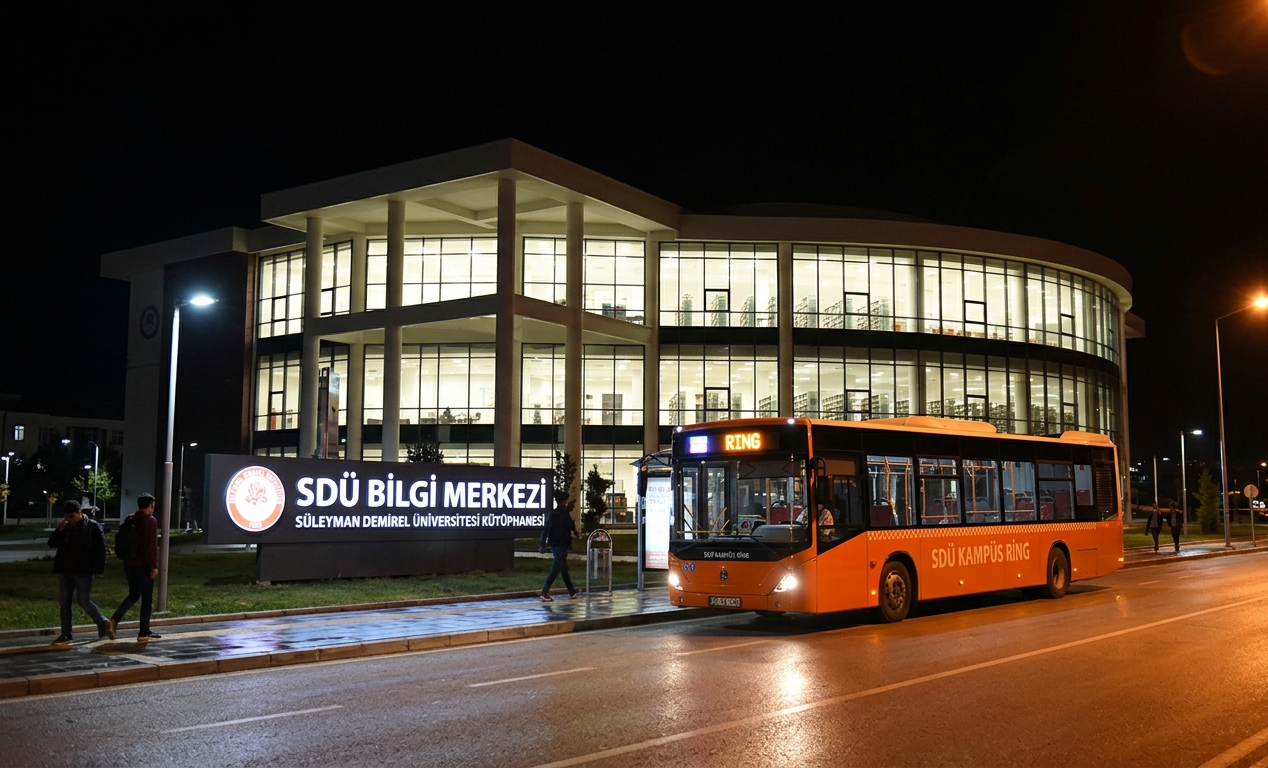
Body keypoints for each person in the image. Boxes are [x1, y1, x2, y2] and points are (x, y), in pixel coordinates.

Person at [47, 500, 114, 645]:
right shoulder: (66, 528)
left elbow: (101, 549)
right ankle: (66, 634)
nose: (69, 520)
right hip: (66, 570)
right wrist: (59, 530)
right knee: (64, 602)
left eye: (72, 517)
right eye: (66, 517)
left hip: (84, 570)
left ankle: (102, 621)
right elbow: (52, 543)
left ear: (80, 513)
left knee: (83, 600)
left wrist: (99, 569)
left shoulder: (92, 526)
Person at [109, 493, 162, 642]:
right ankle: (144, 632)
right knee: (146, 599)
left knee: (133, 594)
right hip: (144, 566)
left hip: (129, 564)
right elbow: (151, 547)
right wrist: (154, 566)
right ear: (151, 505)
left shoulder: (130, 519)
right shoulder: (150, 521)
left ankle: (114, 620)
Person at [538, 493, 579, 601]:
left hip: (554, 544)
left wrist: (542, 544)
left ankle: (572, 592)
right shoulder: (565, 514)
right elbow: (571, 526)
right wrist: (575, 532)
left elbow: (546, 529)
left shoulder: (552, 514)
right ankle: (544, 591)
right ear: (563, 502)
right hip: (562, 544)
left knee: (564, 568)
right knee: (556, 568)